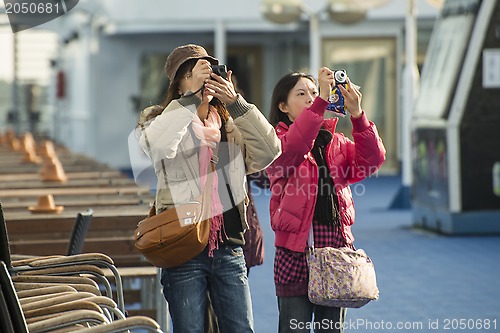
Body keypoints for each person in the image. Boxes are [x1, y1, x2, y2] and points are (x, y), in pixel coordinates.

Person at [137, 44, 281, 333]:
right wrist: (190, 101)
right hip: (183, 246)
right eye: (195, 73)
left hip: (228, 245)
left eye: (210, 72)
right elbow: (160, 146)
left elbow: (269, 151)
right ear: (178, 84)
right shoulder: (158, 119)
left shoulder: (230, 124)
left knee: (240, 329)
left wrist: (237, 103)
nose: (206, 80)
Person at [266, 69, 386, 333]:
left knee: (330, 330)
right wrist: (321, 101)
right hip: (295, 254)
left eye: (314, 92)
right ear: (283, 106)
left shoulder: (337, 143)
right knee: (293, 328)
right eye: (302, 94)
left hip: (335, 251)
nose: (311, 98)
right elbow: (296, 147)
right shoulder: (275, 143)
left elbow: (372, 161)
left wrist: (358, 115)